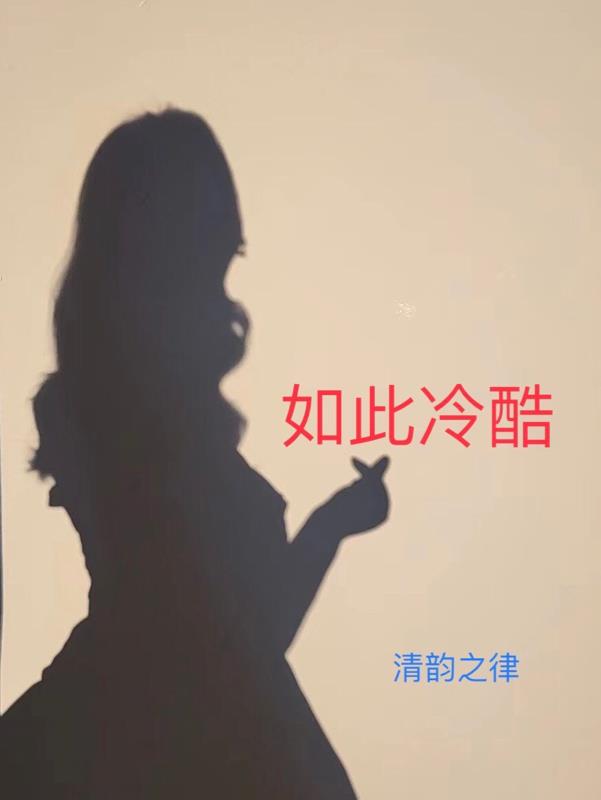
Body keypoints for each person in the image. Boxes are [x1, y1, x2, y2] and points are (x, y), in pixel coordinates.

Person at [0, 108, 390, 798]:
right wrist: (328, 528)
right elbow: (220, 638)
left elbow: (240, 634)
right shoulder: (124, 426)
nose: (221, 288)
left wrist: (331, 524)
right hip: (176, 747)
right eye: (208, 255)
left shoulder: (119, 414)